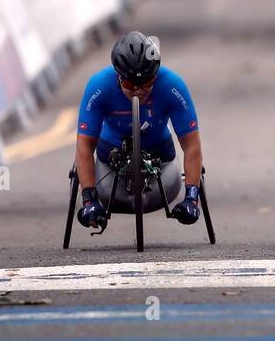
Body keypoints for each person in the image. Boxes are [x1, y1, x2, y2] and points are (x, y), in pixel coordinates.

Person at [74, 32, 203, 229]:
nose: (138, 91)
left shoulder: (172, 85)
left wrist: (191, 198)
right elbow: (84, 145)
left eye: (146, 83)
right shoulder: (99, 86)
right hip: (110, 156)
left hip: (161, 155)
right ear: (118, 77)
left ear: (155, 75)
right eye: (129, 84)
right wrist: (89, 200)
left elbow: (192, 144)